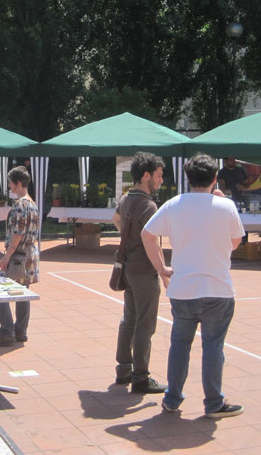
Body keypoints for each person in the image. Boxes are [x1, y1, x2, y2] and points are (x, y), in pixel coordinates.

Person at [141, 153, 245, 419]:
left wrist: (161, 268)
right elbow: (235, 242)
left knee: (180, 345)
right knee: (213, 347)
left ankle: (173, 398)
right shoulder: (226, 207)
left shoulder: (173, 204)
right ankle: (213, 403)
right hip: (217, 289)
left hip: (183, 289)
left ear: (188, 178)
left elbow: (147, 234)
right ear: (214, 179)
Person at [114, 152, 169, 394]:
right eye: (158, 175)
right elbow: (152, 242)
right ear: (146, 175)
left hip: (127, 268)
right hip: (144, 271)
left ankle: (124, 370)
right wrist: (163, 270)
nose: (161, 180)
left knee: (129, 320)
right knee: (145, 326)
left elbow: (116, 219)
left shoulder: (127, 199)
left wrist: (128, 239)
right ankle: (141, 376)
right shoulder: (148, 205)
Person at [0, 166, 40, 346]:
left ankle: (7, 330)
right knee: (23, 292)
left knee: (0, 291)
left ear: (17, 184)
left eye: (10, 183)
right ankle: (21, 330)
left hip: (18, 255)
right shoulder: (33, 203)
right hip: (30, 253)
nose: (9, 186)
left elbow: (17, 233)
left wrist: (6, 256)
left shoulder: (19, 205)